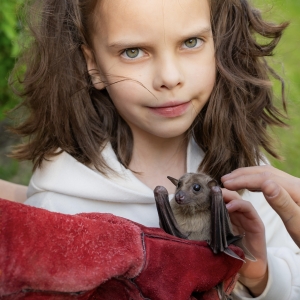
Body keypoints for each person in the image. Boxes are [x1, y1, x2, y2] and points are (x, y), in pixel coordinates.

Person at [1, 0, 299, 298]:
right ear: (94, 64)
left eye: (191, 42)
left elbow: (290, 267)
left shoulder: (241, 165)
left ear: (217, 42)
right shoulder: (60, 201)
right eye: (133, 51)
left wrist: (262, 277)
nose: (169, 78)